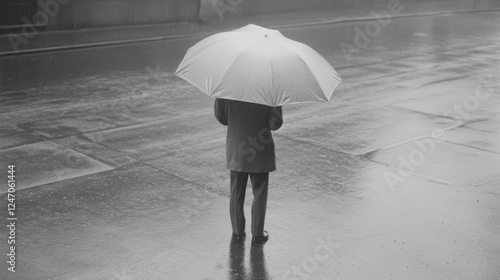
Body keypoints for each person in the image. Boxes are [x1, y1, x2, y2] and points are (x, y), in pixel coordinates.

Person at [214, 98, 283, 244]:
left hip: (237, 148)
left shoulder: (227, 88)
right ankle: (258, 234)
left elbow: (222, 118)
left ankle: (238, 232)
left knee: (236, 192)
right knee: (260, 192)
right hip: (260, 148)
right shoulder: (270, 91)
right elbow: (274, 124)